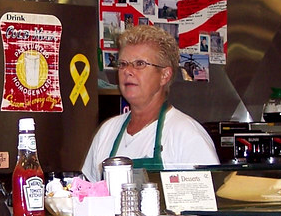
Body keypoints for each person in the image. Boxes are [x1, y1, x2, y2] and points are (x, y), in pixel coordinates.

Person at [82, 25, 218, 181]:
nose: (128, 71)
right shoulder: (107, 131)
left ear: (165, 75)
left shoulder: (186, 135)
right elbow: (86, 196)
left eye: (140, 64)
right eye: (123, 64)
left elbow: (207, 201)